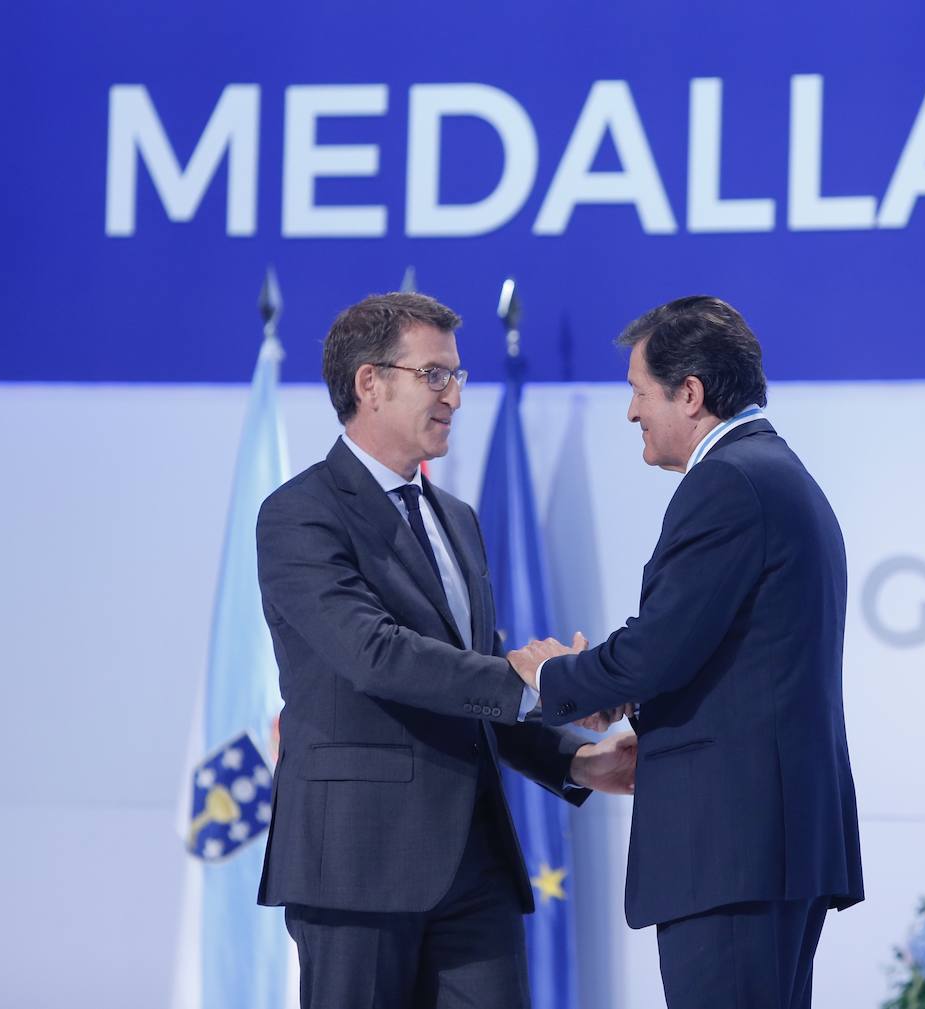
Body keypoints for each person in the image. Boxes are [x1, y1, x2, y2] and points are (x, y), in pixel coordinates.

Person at [255, 292, 636, 1009]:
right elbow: (375, 654)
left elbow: (475, 681)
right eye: (436, 375)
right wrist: (536, 680)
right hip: (357, 868)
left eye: (457, 377)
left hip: (476, 864)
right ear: (370, 382)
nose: (455, 396)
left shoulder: (457, 519)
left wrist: (574, 757)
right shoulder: (298, 513)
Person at [510, 295, 865, 1009]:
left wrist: (553, 676)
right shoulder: (773, 474)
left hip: (734, 849)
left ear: (691, 393)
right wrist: (621, 686)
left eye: (639, 392)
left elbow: (659, 648)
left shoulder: (729, 481)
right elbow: (705, 647)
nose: (632, 412)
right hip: (767, 847)